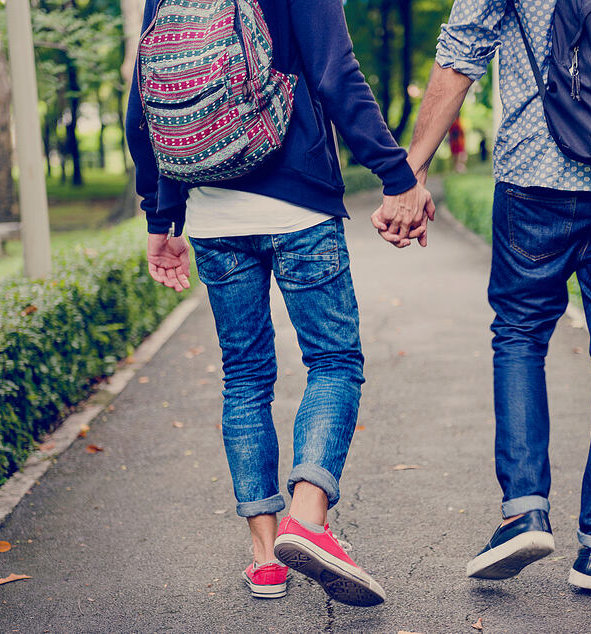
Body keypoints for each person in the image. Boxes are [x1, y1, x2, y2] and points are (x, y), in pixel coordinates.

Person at [126, 0, 433, 607]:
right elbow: (334, 73)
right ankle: (307, 518)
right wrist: (397, 177)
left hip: (211, 209)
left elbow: (146, 104)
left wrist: (160, 214)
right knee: (334, 362)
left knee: (244, 377)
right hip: (298, 203)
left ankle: (266, 560)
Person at [376, 0, 591, 592]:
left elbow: (462, 48)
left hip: (540, 169)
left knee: (519, 334)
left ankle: (524, 510)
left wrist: (409, 173)